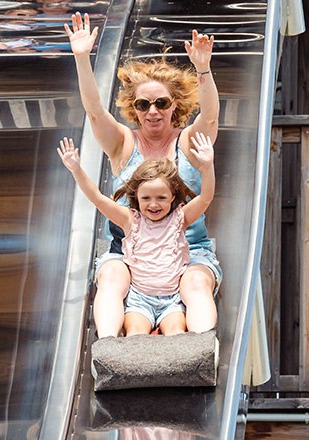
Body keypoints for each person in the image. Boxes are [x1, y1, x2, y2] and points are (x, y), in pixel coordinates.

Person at [64, 12, 221, 337]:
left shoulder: (188, 141)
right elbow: (94, 111)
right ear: (133, 108)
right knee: (111, 277)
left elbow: (210, 116)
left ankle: (199, 350)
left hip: (189, 251)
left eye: (161, 103)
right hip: (130, 250)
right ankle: (109, 347)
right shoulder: (123, 143)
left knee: (194, 282)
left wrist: (203, 70)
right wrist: (82, 58)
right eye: (143, 104)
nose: (152, 111)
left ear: (174, 106)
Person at [57, 133, 215, 336]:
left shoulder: (179, 218)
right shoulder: (130, 220)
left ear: (173, 197)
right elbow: (97, 199)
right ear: (136, 198)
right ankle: (111, 349)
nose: (154, 204)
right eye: (146, 198)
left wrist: (208, 165)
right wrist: (76, 169)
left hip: (172, 298)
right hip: (140, 297)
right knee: (134, 332)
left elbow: (205, 198)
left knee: (176, 331)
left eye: (161, 197)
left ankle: (199, 348)